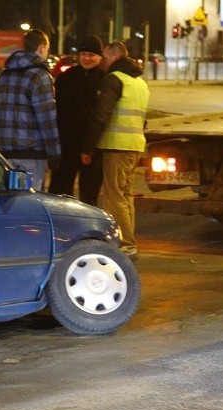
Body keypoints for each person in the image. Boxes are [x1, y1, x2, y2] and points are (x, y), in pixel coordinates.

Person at [81, 41, 150, 259]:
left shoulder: (114, 79)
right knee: (126, 195)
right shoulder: (139, 82)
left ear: (112, 56)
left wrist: (88, 147)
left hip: (117, 146)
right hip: (136, 146)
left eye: (104, 56)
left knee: (114, 196)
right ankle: (129, 241)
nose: (103, 61)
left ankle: (125, 244)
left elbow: (101, 116)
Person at [0, 29, 60, 191]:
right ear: (42, 47)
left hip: (6, 153)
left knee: (9, 205)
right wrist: (54, 153)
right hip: (31, 155)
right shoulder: (40, 76)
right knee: (30, 205)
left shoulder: (4, 75)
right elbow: (47, 119)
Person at [48, 35, 106, 206]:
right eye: (83, 54)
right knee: (60, 192)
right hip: (67, 144)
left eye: (91, 55)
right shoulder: (66, 78)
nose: (87, 58)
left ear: (99, 57)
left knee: (89, 194)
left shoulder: (105, 80)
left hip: (93, 146)